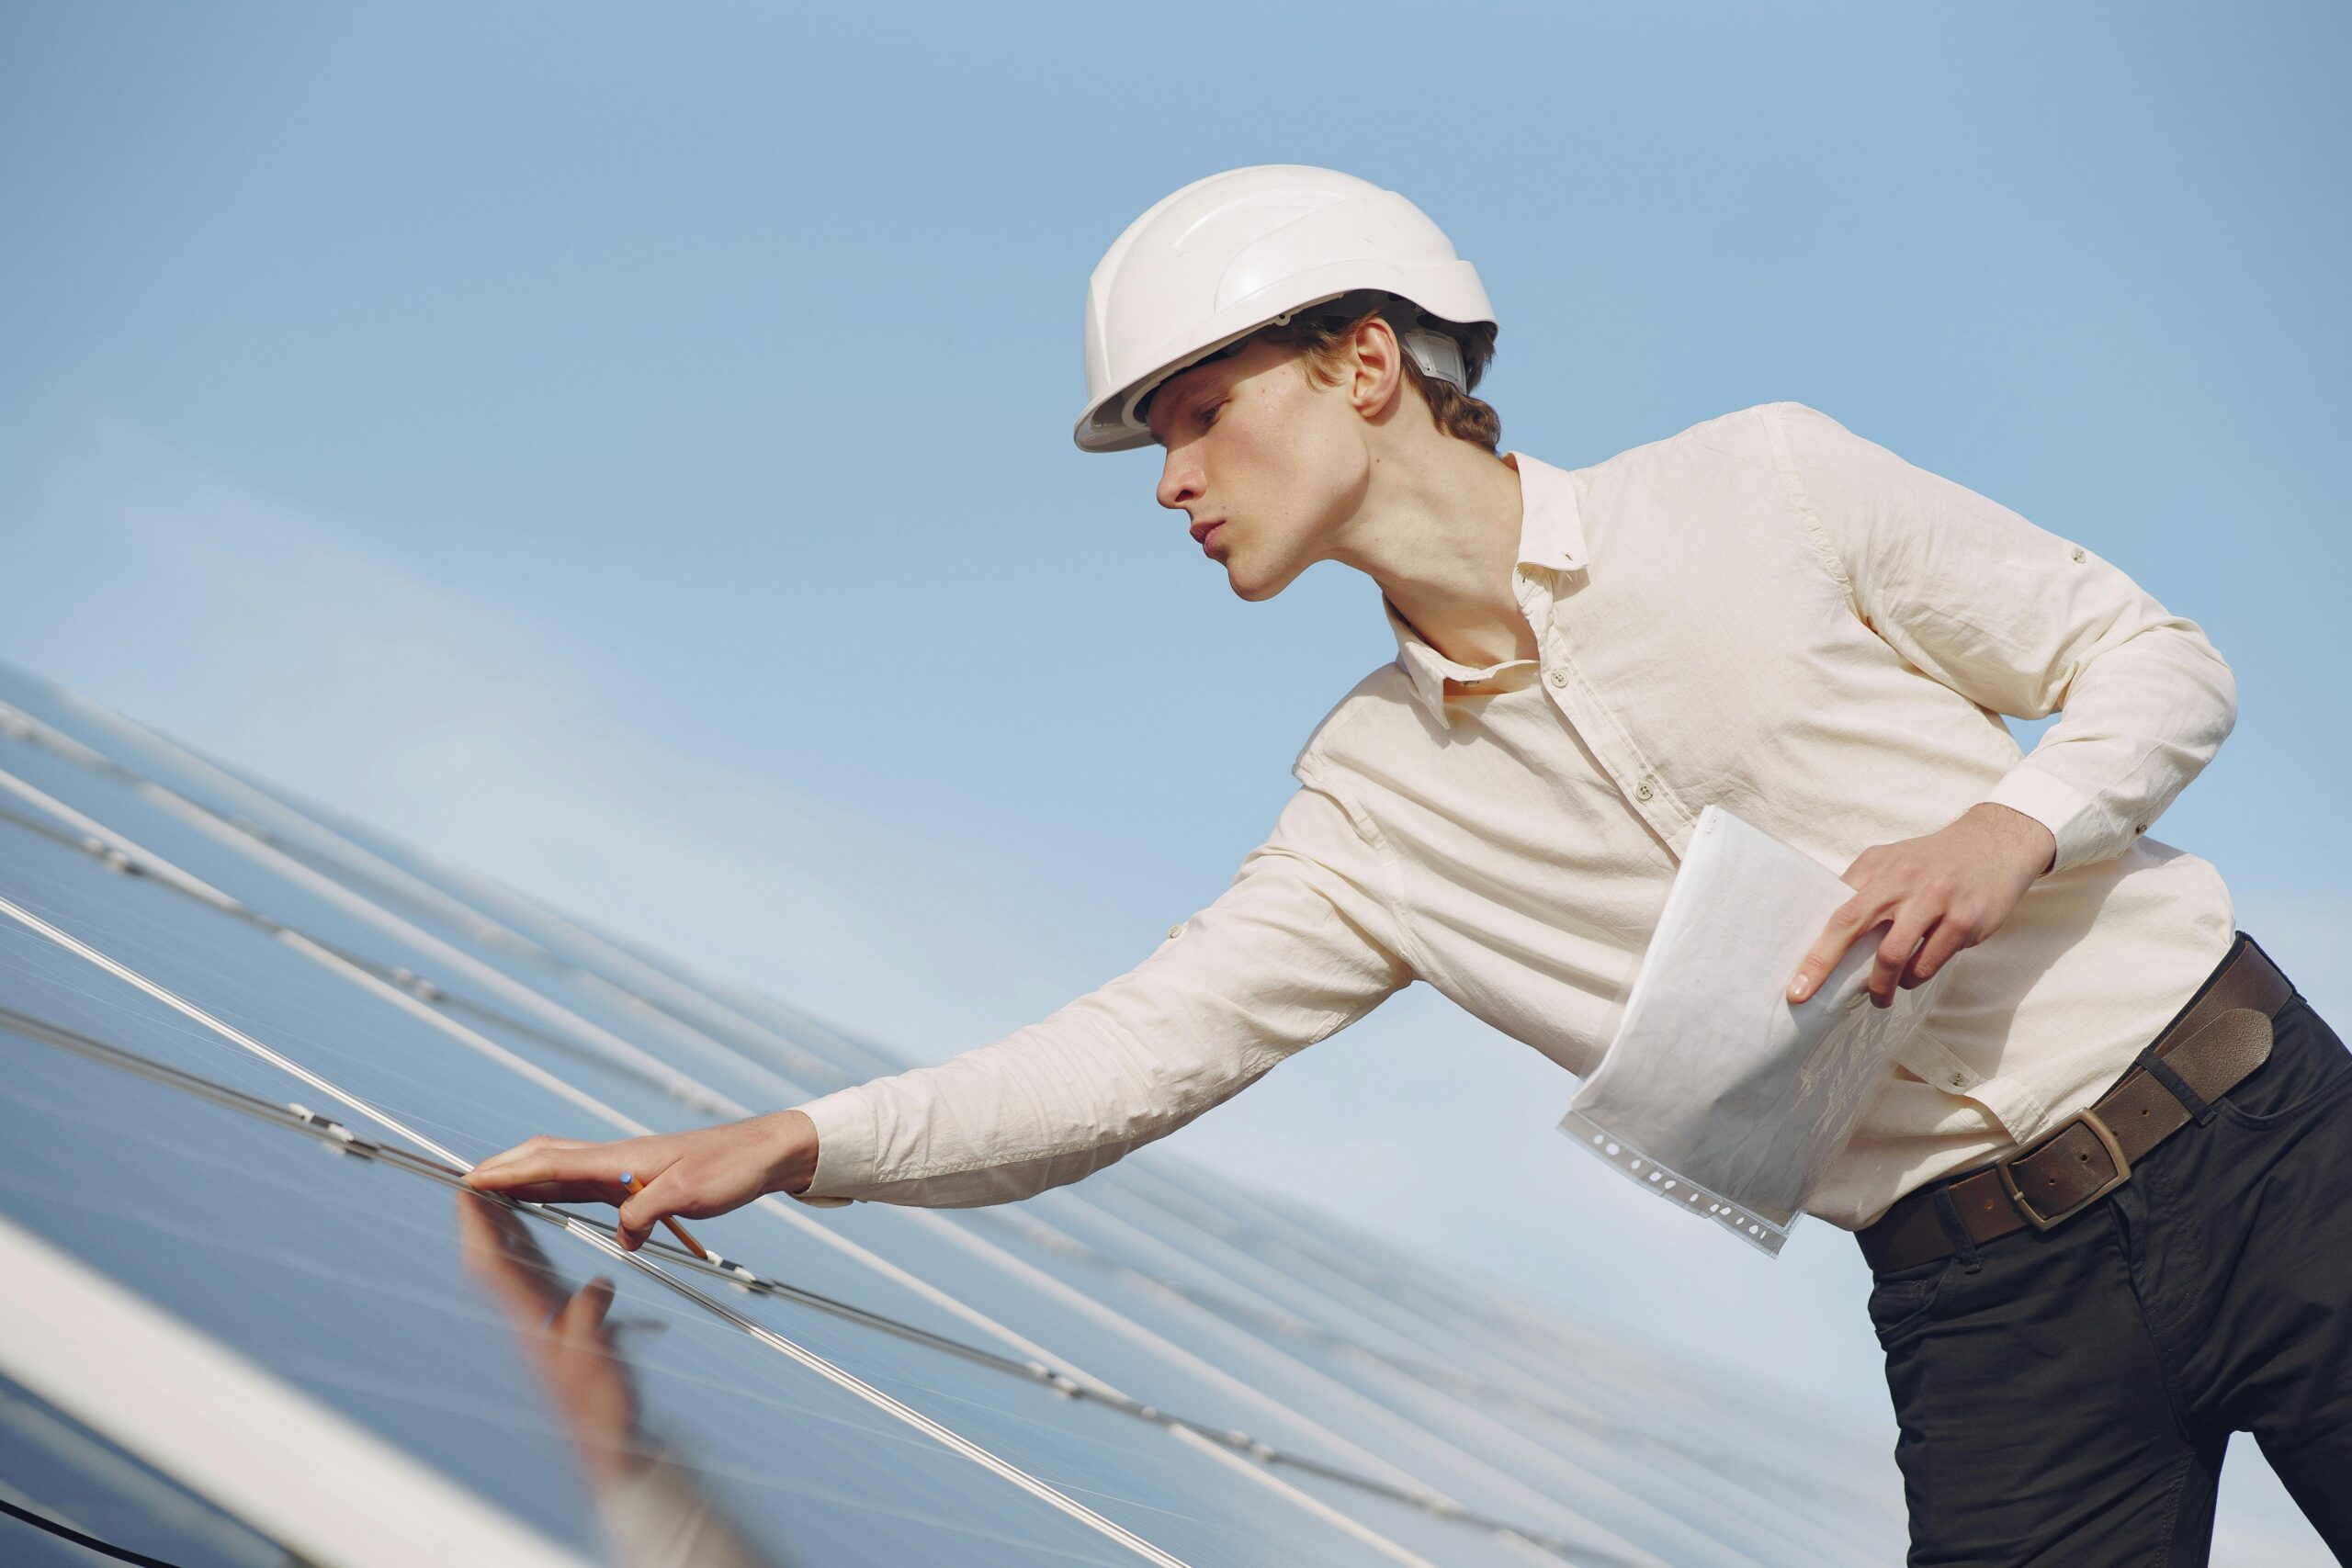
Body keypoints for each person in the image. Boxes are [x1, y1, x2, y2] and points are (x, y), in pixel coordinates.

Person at [467, 165, 2350, 1564]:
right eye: (1156, 437)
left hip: (2272, 1153)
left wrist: (2006, 820)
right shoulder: (1367, 807)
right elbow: (1124, 1060)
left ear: (1362, 362)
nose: (1167, 476)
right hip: (1984, 1317)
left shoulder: (1763, 483)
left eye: (1200, 410)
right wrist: (792, 1140)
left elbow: (2149, 656)